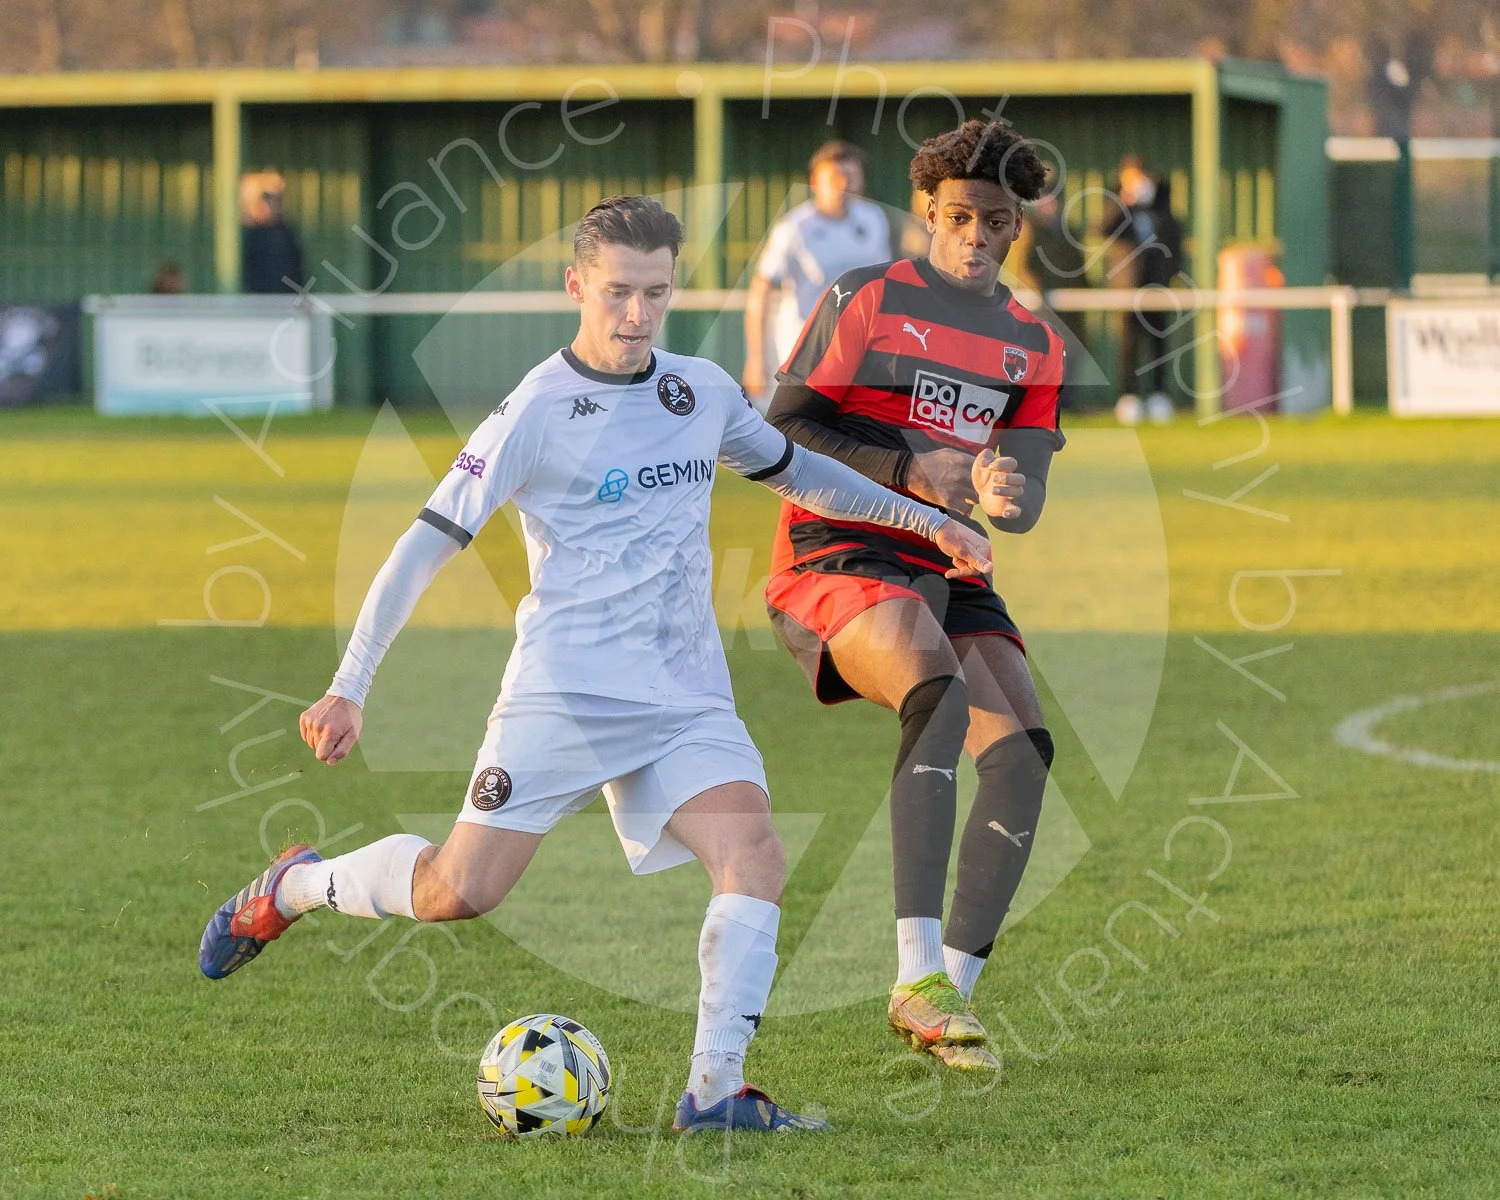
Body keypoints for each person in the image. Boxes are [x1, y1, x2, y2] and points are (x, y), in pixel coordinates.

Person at [197, 195, 994, 1133]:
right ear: (576, 284)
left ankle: (716, 1092)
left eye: (655, 293)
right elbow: (424, 544)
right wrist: (349, 684)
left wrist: (926, 518)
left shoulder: (698, 390)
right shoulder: (535, 409)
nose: (636, 314)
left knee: (756, 858)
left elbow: (798, 471)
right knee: (457, 892)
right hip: (565, 694)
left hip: (686, 695)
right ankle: (294, 885)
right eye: (617, 292)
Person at [762, 119, 1066, 1072]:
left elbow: (1022, 491)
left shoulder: (1034, 344)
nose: (979, 235)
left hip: (952, 558)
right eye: (963, 216)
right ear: (929, 213)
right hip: (835, 545)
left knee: (1022, 754)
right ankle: (915, 967)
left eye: (999, 222)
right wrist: (907, 467)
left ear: (1016, 229)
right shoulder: (867, 296)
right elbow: (783, 432)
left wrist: (1011, 496)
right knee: (935, 696)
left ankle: (943, 996)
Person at [742, 141, 890, 406]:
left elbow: (884, 285)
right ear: (815, 181)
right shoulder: (795, 228)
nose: (843, 185)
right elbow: (760, 291)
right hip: (805, 353)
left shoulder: (874, 219)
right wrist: (756, 357)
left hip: (859, 353)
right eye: (835, 177)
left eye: (851, 176)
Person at [1106, 155, 1182, 424]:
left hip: (1158, 288)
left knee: (1159, 342)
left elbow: (1175, 239)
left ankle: (1159, 396)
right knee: (1128, 344)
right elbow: (1105, 229)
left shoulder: (1162, 207)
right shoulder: (1116, 205)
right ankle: (1129, 397)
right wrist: (1126, 202)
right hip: (1127, 290)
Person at [241, 171, 305, 295]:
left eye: (274, 200)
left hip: (282, 304)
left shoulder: (286, 235)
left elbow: (296, 274)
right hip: (254, 303)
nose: (269, 205)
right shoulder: (247, 235)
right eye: (265, 199)